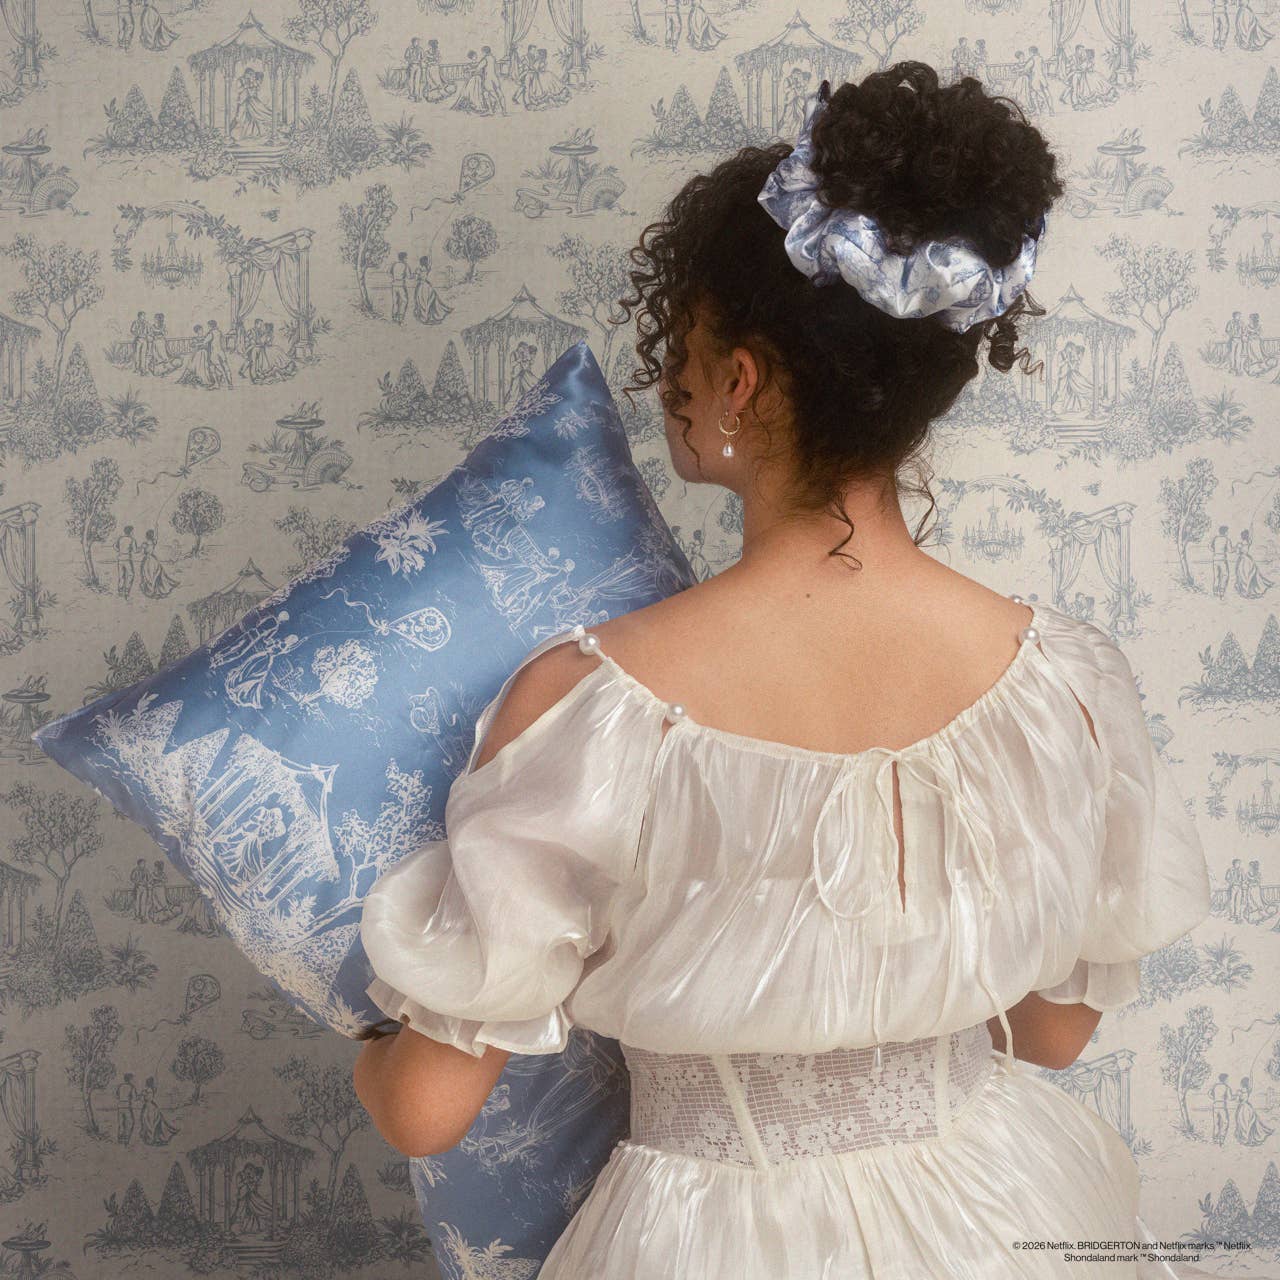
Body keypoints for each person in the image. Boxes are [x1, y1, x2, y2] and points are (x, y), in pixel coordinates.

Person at [353, 65, 1212, 1277]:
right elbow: (1054, 1030)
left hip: (715, 1232)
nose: (673, 384)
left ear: (741, 380)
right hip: (1006, 1198)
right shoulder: (1061, 684)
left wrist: (369, 1039)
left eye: (688, 354)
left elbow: (425, 1108)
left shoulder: (593, 709)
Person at [1233, 527, 1273, 597]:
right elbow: (1251, 536)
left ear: (1242, 536)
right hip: (1248, 560)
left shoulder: (1240, 544)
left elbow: (1237, 552)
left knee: (1242, 575)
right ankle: (1248, 590)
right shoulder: (1248, 542)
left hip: (1242, 560)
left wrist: (1237, 548)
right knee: (1248, 575)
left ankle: (1245, 591)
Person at [139, 528, 179, 598]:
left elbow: (141, 552)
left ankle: (151, 589)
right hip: (153, 560)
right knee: (155, 574)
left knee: (147, 574)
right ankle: (156, 589)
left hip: (147, 560)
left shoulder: (144, 544)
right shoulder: (153, 542)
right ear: (152, 536)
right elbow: (156, 537)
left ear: (146, 536)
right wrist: (156, 528)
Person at [412, 254, 452, 324]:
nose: (427, 262)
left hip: (422, 286)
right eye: (427, 261)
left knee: (424, 302)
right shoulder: (426, 269)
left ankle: (426, 316)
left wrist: (417, 276)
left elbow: (417, 279)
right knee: (428, 301)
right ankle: (429, 316)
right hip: (425, 286)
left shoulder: (419, 269)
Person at [138, 1077, 179, 1145]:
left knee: (151, 1123)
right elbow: (144, 1097)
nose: (154, 1084)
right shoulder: (148, 1090)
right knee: (150, 1124)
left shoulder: (148, 1090)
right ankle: (151, 1139)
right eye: (153, 1083)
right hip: (149, 1107)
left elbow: (143, 1098)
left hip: (151, 1107)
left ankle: (152, 1139)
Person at [1234, 1077, 1274, 1144]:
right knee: (1248, 1123)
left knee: (1243, 1123)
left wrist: (1238, 1096)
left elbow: (1237, 1100)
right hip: (1248, 1107)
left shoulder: (1240, 1091)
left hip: (1242, 1108)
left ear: (1242, 1083)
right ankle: (1247, 1138)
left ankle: (1245, 1139)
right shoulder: (1248, 1090)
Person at [115, 1073, 137, 1144]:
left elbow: (117, 1096)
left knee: (121, 1123)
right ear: (130, 1079)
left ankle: (120, 1139)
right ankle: (126, 1139)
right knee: (130, 1123)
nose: (133, 1080)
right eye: (132, 1079)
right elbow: (135, 1098)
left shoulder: (119, 1086)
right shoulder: (131, 1087)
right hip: (127, 1106)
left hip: (120, 1106)